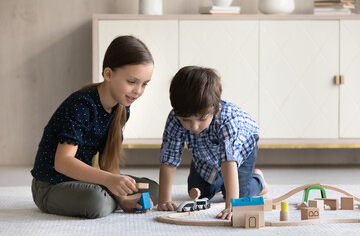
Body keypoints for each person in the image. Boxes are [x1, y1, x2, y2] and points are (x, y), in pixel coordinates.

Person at [30, 35, 159, 219]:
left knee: (152, 189)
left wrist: (121, 196)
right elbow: (63, 161)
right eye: (132, 82)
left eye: (144, 84)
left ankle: (112, 198)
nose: (138, 91)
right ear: (108, 74)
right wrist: (110, 182)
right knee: (97, 201)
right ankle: (108, 198)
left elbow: (108, 161)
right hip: (51, 186)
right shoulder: (82, 105)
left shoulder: (122, 108)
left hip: (84, 182)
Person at [157, 66, 269, 220]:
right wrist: (164, 199)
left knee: (239, 196)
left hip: (239, 153)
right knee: (198, 193)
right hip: (205, 154)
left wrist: (231, 205)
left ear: (215, 108)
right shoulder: (175, 118)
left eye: (201, 119)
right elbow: (169, 157)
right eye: (186, 120)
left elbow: (229, 161)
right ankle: (221, 181)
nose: (194, 127)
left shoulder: (228, 122)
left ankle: (258, 180)